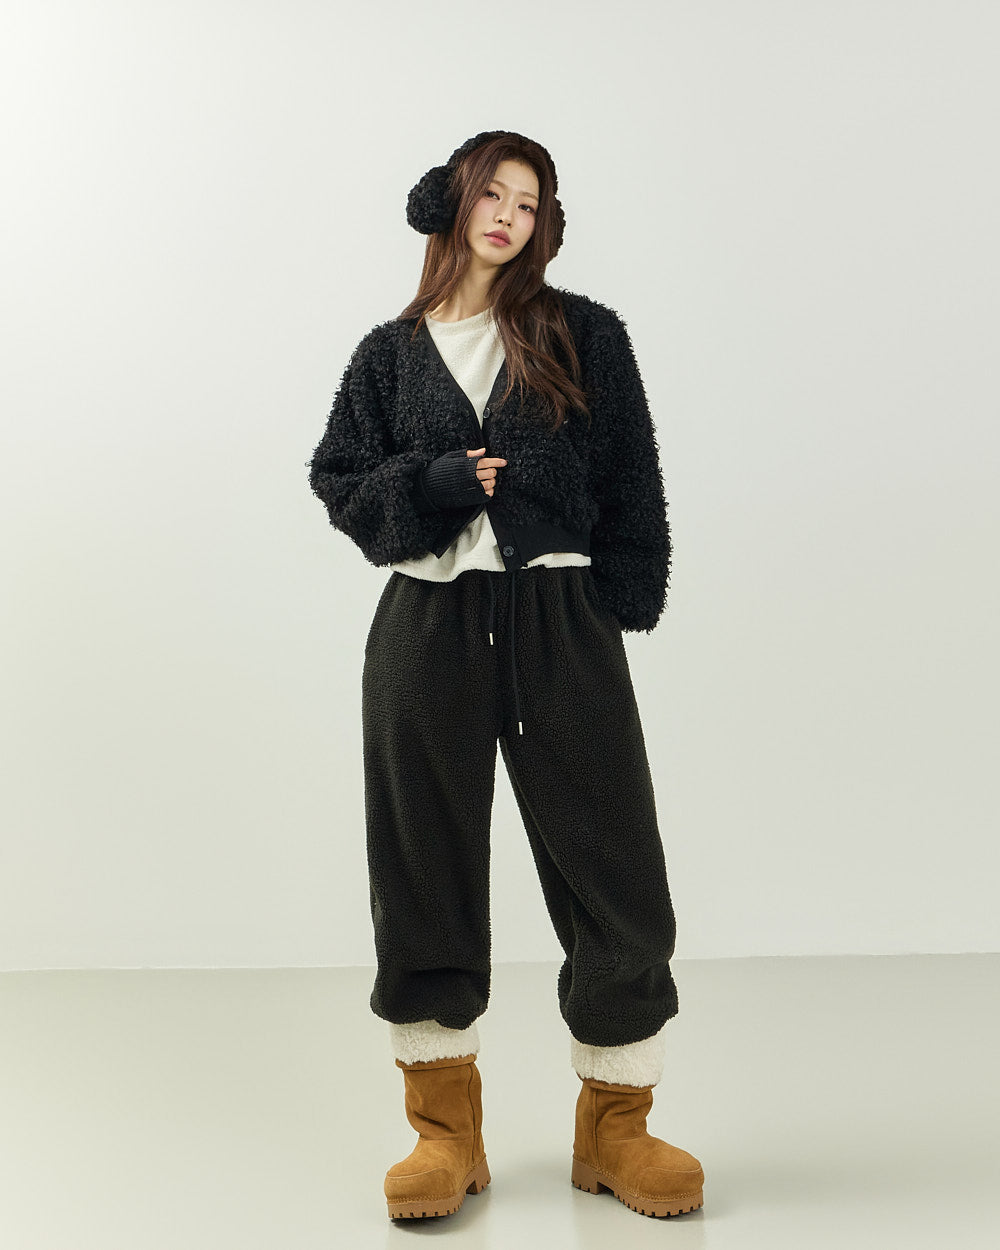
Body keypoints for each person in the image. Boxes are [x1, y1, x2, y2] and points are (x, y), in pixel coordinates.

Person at [306, 130, 704, 1222]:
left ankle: (616, 1127)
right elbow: (336, 478)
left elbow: (633, 473)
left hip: (560, 619)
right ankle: (445, 1133)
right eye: (494, 193)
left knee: (611, 856)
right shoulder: (388, 356)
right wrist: (429, 482)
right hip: (426, 624)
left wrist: (618, 599)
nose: (508, 216)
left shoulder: (583, 333)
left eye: (529, 203)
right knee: (421, 857)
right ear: (453, 201)